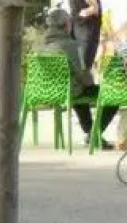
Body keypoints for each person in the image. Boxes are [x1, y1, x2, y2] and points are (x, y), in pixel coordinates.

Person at [44, 8, 115, 147]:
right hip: (70, 91)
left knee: (77, 89)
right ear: (67, 25)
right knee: (112, 95)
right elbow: (83, 74)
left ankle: (90, 133)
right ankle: (94, 134)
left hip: (49, 91)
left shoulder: (41, 47)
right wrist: (90, 83)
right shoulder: (72, 46)